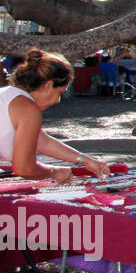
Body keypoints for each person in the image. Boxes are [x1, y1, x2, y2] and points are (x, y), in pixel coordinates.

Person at [0, 49, 109, 182]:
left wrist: (85, 160)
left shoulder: (8, 95)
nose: (58, 100)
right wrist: (55, 172)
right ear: (48, 85)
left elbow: (42, 141)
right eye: (59, 93)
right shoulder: (28, 109)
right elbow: (24, 168)